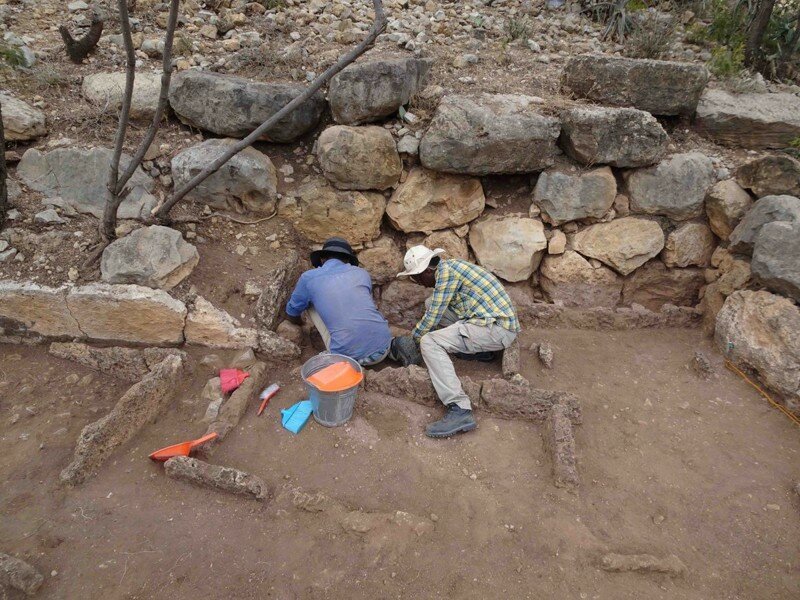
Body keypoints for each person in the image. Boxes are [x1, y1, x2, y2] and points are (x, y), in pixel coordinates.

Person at [398, 246, 520, 438]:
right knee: (430, 303)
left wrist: (411, 341)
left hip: (497, 329)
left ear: (428, 271)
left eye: (417, 277)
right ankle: (481, 352)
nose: (418, 283)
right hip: (491, 320)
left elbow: (432, 318)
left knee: (429, 342)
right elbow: (435, 308)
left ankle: (459, 408)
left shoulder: (446, 276)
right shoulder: (449, 268)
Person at [284, 237, 393, 366]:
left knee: (309, 301)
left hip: (347, 359)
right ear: (348, 259)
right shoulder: (362, 273)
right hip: (384, 347)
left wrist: (300, 324)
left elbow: (292, 312)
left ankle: (336, 354)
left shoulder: (309, 277)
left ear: (322, 259)